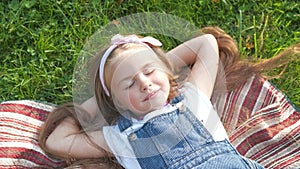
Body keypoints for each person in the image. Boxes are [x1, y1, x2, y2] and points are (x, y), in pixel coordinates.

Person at [39, 26, 298, 168]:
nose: (144, 84)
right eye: (129, 84)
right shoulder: (120, 138)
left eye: (149, 72)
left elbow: (207, 43)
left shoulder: (193, 99)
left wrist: (158, 65)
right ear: (116, 101)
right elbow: (57, 141)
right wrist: (101, 103)